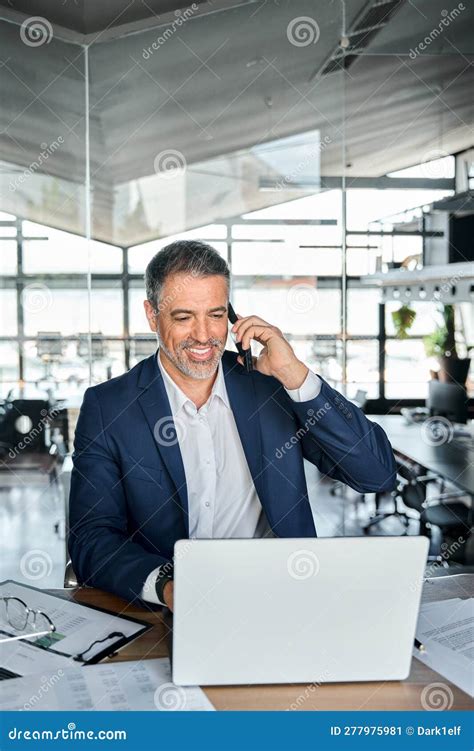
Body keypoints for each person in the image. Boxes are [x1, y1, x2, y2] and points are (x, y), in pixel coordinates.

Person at [69, 240, 396, 611]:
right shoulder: (109, 407)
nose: (204, 334)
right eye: (183, 317)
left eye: (216, 314)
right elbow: (91, 539)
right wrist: (168, 586)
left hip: (286, 602)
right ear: (151, 314)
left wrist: (296, 376)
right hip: (173, 615)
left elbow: (376, 474)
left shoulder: (272, 388)